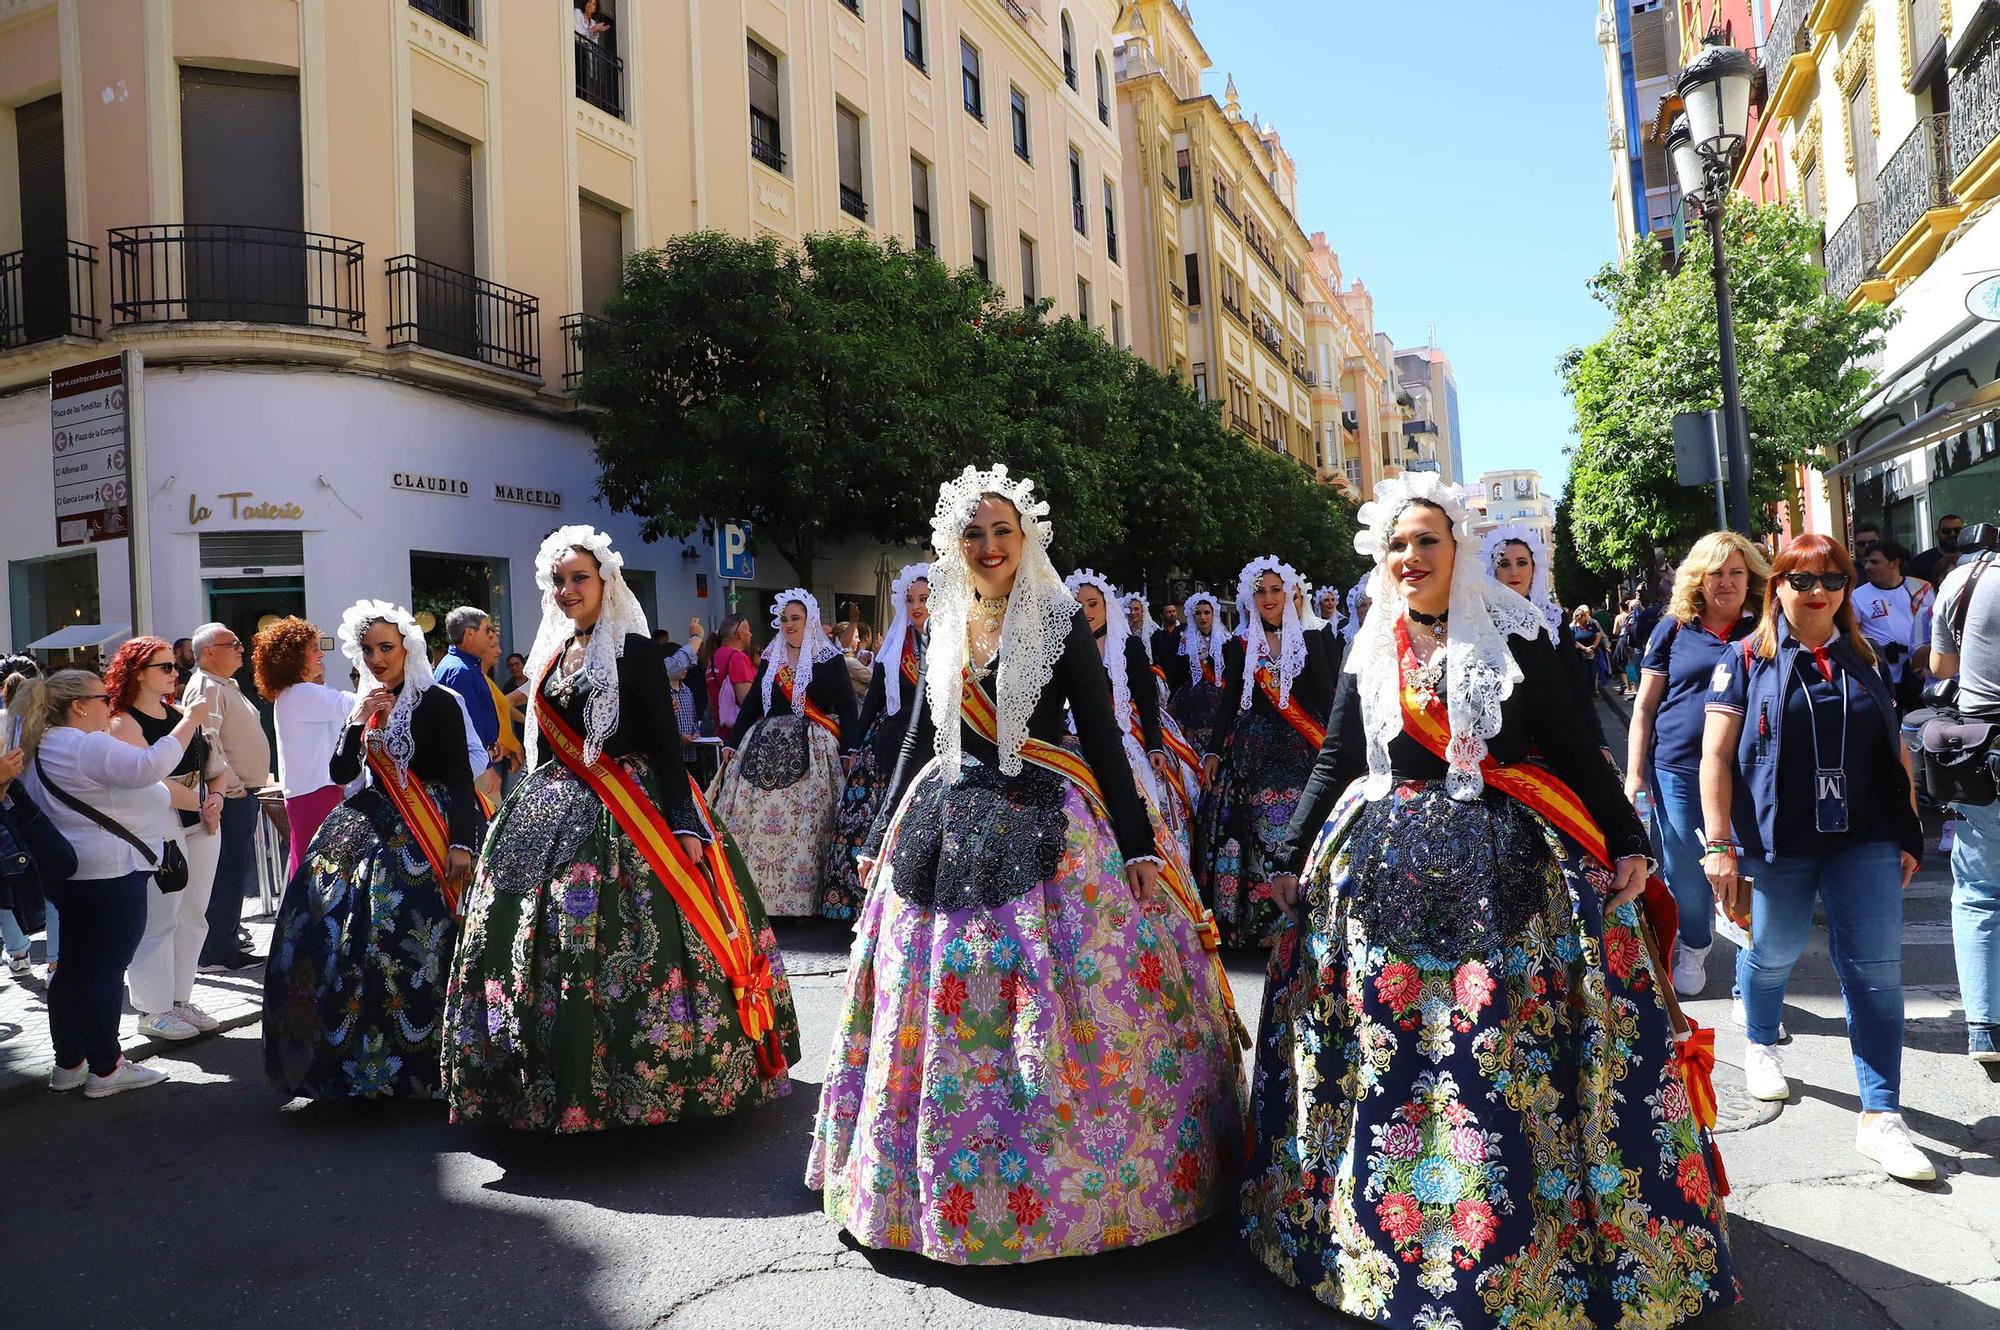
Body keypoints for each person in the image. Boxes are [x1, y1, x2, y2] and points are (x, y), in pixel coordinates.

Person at [1243, 473, 1736, 1325]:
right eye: (1397, 544)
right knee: (1390, 1057)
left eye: (1427, 541)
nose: (1410, 557)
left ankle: (1522, 1249)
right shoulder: (1370, 641)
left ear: (1459, 548)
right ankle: (1383, 1240)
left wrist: (1626, 840)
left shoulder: (1517, 634)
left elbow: (1579, 749)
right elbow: (1337, 759)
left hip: (1507, 870)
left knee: (1499, 1053)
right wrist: (1289, 855)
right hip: (1380, 869)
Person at [806, 463, 1245, 1264]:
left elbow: (1102, 734)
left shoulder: (1055, 616)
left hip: (1048, 811)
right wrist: (876, 836)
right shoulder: (943, 618)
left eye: (1002, 530)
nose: (988, 545)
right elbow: (919, 737)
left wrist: (1139, 842)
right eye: (973, 533)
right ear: (954, 542)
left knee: (1060, 996)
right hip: (943, 815)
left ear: (1026, 537)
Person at [446, 526, 798, 1132]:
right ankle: (539, 1078)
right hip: (552, 812)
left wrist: (685, 824)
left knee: (644, 943)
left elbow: (665, 744)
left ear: (605, 582)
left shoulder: (634, 652)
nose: (567, 590)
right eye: (559, 581)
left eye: (578, 578)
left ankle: (650, 1081)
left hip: (633, 811)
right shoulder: (554, 658)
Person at [1701, 534, 1933, 1181]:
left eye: (1831, 578)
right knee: (1773, 950)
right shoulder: (1746, 660)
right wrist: (1720, 844)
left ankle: (1881, 1115)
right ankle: (1761, 1039)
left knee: (1876, 974)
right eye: (1802, 580)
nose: (1818, 591)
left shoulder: (1862, 656)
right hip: (1782, 838)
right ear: (1777, 586)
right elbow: (1715, 757)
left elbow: (1894, 746)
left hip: (1863, 836)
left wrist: (1907, 824)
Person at [262, 601, 478, 1101]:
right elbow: (341, 773)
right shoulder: (366, 702)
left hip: (432, 829)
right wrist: (359, 720)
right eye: (368, 649)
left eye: (387, 647)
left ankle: (433, 1064)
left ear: (408, 647)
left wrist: (463, 844)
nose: (377, 658)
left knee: (415, 944)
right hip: (370, 825)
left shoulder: (437, 701)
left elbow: (461, 780)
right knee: (345, 939)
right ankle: (355, 1065)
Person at [21, 670, 209, 1097]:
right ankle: (107, 1068)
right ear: (78, 706)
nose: (109, 705)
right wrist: (190, 720)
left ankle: (70, 1063)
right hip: (109, 870)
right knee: (103, 970)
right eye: (102, 698)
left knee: (72, 967)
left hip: (75, 870)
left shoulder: (45, 744)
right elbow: (149, 767)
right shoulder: (82, 744)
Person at [1623, 532, 1768, 997]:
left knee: (1748, 869)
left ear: (1751, 578)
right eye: (1716, 573)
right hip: (1679, 769)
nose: (1726, 583)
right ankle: (1694, 942)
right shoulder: (1674, 628)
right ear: (1698, 579)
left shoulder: (1766, 627)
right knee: (1687, 870)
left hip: (1749, 771)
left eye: (1736, 573)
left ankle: (1753, 972)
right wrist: (1634, 773)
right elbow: (1645, 706)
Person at [1193, 556, 1340, 947]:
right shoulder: (1241, 645)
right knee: (1248, 833)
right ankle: (1254, 927)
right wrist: (1212, 752)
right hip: (1252, 756)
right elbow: (1228, 704)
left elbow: (1329, 699)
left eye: (1277, 590)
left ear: (1292, 594)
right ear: (1250, 598)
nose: (1269, 598)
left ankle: (1303, 919)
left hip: (1303, 753)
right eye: (1261, 592)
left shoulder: (1317, 638)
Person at [708, 590, 859, 916]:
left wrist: (850, 749)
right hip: (764, 747)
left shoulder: (828, 658)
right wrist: (732, 743)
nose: (789, 624)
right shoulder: (771, 658)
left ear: (810, 621)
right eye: (785, 619)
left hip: (813, 750)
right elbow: (750, 706)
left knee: (806, 823)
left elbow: (847, 708)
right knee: (753, 823)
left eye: (796, 619)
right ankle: (755, 899)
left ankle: (800, 901)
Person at [106, 637, 226, 1042]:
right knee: (161, 917)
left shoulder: (179, 713)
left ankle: (178, 1000)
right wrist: (205, 800)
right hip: (160, 824)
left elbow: (215, 764)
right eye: (167, 668)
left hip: (200, 821)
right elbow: (150, 777)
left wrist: (217, 798)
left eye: (176, 667)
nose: (176, 673)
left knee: (193, 914)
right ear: (137, 673)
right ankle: (152, 1007)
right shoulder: (123, 722)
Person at [819, 563, 929, 922]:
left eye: (924, 599)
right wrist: (854, 746)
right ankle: (863, 906)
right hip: (888, 743)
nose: (916, 606)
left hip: (934, 747)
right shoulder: (894, 647)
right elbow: (875, 701)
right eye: (910, 599)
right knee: (866, 817)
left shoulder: (955, 645)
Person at [1931, 534, 2000, 1062]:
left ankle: (1984, 1028)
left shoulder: (1963, 579)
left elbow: (1940, 666)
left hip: (1982, 751)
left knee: (1979, 890)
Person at [1073, 570, 1199, 856]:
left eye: (1093, 604)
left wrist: (1154, 744)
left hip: (1129, 731)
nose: (1087, 611)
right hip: (1080, 733)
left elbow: (1146, 699)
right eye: (1079, 605)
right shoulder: (1070, 649)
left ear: (1107, 606)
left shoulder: (1128, 646)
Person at [1482, 523, 1613, 761]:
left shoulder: (1552, 618)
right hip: (1503, 750)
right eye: (1504, 564)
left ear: (1534, 568)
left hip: (1557, 738)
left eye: (1522, 563)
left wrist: (1599, 742)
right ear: (1493, 570)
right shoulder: (1478, 619)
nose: (1514, 572)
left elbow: (1575, 684)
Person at [183, 623, 268, 971]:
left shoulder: (221, 685)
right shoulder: (206, 687)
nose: (240, 649)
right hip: (228, 798)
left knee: (232, 871)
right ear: (208, 653)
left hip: (235, 795)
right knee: (227, 872)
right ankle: (216, 950)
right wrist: (233, 787)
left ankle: (224, 942)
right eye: (231, 644)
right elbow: (207, 741)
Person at [255, 618, 358, 882]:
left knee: (312, 866)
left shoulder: (299, 693)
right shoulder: (300, 693)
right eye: (314, 648)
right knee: (318, 871)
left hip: (315, 790)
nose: (321, 653)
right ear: (293, 656)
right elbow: (356, 705)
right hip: (316, 792)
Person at [1, 654, 49, 975]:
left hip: (9, 806)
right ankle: (47, 956)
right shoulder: (49, 721)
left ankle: (18, 947)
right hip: (35, 808)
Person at [1851, 540, 1934, 714]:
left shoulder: (1921, 588)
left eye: (1874, 562)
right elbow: (1853, 632)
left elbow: (1934, 628)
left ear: (1894, 564)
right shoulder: (1858, 596)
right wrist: (1874, 650)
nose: (1867, 567)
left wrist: (1928, 662)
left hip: (1918, 671)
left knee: (1919, 722)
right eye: (1865, 562)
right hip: (1883, 674)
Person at [434, 607, 504, 808]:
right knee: (490, 830)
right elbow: (467, 727)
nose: (490, 636)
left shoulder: (461, 665)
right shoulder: (460, 671)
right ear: (470, 634)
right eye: (486, 630)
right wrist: (487, 768)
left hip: (475, 761)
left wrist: (492, 741)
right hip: (475, 766)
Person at [1168, 592, 1229, 759]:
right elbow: (1177, 673)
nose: (1203, 617)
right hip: (1191, 700)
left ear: (1213, 614)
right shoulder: (1184, 641)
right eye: (1198, 612)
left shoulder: (1226, 640)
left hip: (1220, 697)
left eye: (1206, 612)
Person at [705, 614, 757, 743]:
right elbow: (748, 702)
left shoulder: (714, 657)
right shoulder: (738, 658)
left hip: (724, 733)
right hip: (742, 736)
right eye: (748, 630)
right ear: (740, 634)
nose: (750, 634)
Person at [1912, 512, 1965, 586]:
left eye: (1957, 530)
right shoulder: (1920, 562)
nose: (1952, 534)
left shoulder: (1975, 558)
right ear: (1937, 534)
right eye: (1946, 531)